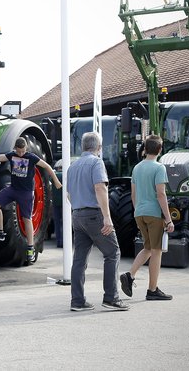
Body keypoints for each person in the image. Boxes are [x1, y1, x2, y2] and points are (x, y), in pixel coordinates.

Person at [0, 137, 62, 264]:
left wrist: (56, 181)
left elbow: (47, 166)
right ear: (15, 148)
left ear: (26, 148)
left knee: (27, 219)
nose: (20, 154)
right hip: (13, 189)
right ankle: (0, 232)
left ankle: (30, 249)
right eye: (18, 152)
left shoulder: (31, 157)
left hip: (25, 193)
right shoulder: (12, 155)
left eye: (23, 151)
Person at [67, 132, 129, 311]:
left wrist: (79, 209)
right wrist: (107, 217)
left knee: (79, 259)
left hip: (77, 215)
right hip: (95, 215)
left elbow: (69, 194)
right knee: (112, 253)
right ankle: (111, 298)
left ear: (82, 146)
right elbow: (100, 188)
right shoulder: (96, 162)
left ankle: (77, 301)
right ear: (99, 148)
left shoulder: (73, 166)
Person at [120, 135, 174, 300]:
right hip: (154, 214)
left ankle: (130, 275)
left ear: (145, 149)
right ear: (159, 149)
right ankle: (152, 290)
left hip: (140, 213)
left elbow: (134, 195)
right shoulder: (159, 168)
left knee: (148, 248)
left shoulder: (136, 168)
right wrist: (168, 219)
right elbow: (161, 194)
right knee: (157, 251)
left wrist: (139, 212)